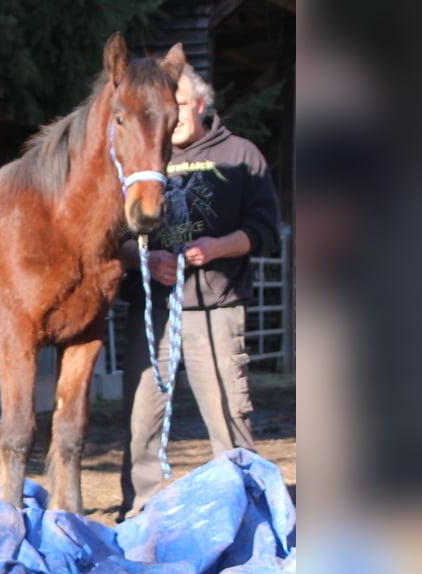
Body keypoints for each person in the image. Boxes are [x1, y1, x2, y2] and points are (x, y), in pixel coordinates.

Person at [116, 64, 281, 522]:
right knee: (140, 419)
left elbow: (266, 232)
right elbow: (114, 236)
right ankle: (140, 511)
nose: (173, 116)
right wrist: (145, 261)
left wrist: (217, 248)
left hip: (217, 305)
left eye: (180, 106)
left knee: (228, 414)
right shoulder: (146, 152)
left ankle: (245, 508)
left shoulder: (241, 154)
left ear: (202, 104)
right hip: (152, 309)